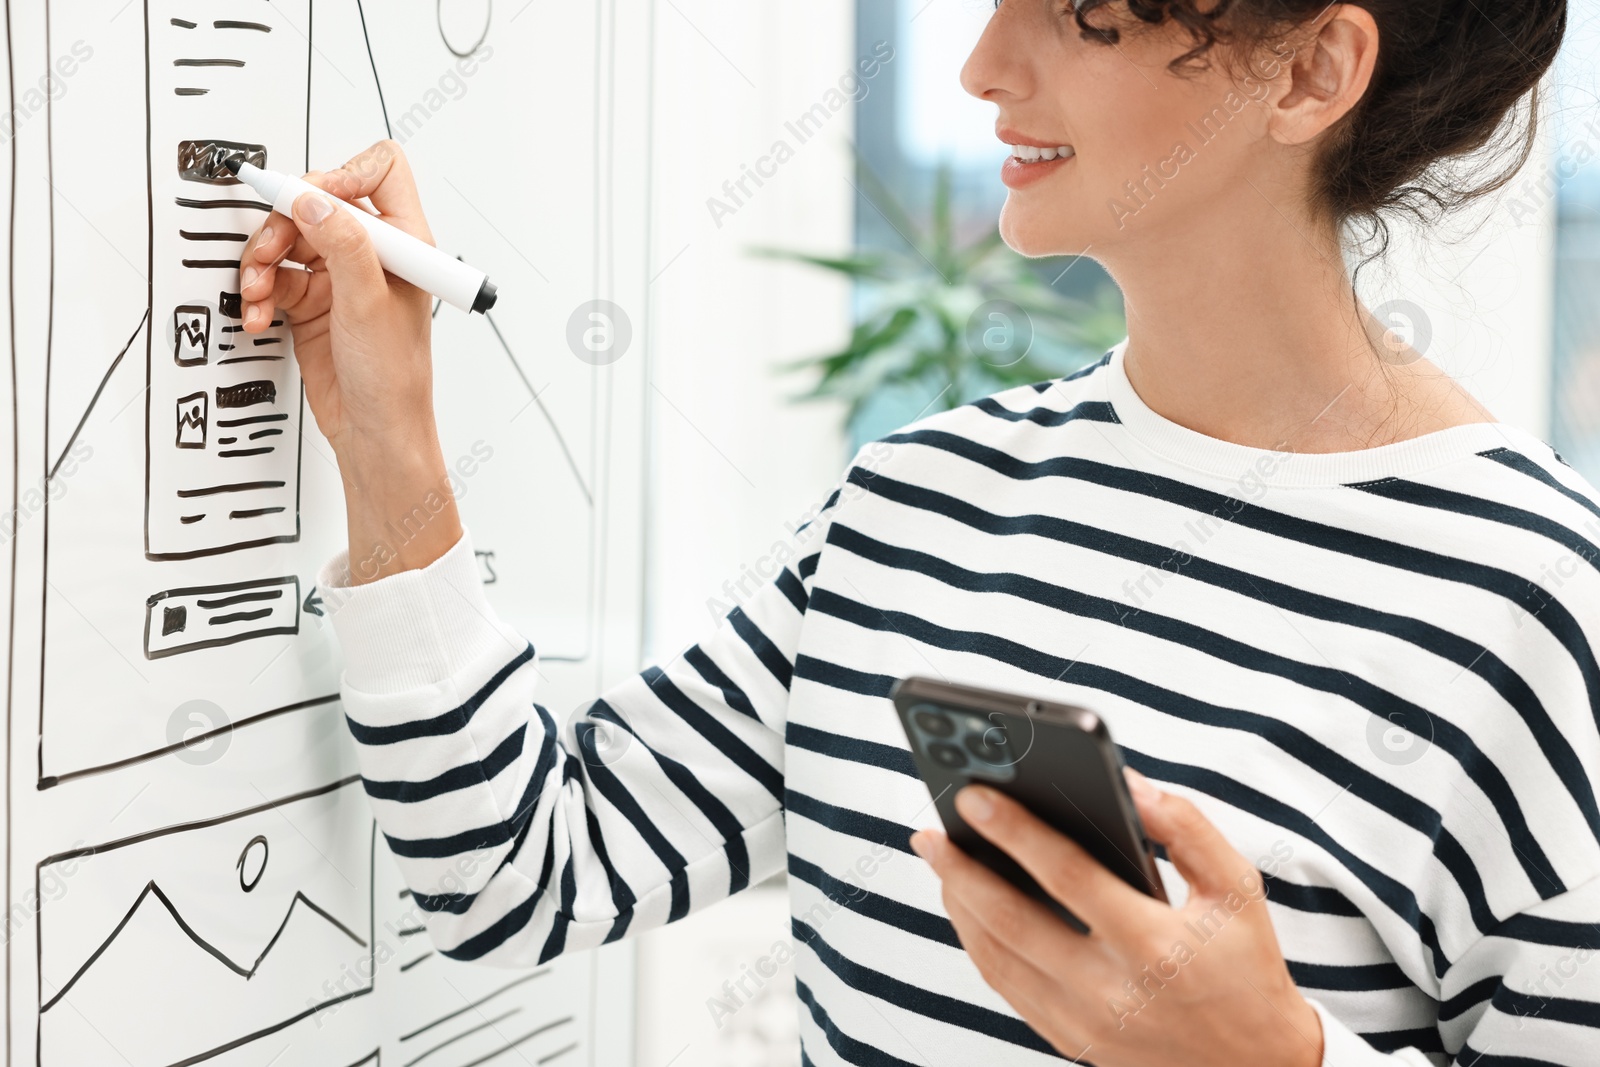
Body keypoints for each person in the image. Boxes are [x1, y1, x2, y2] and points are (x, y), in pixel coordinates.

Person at [238, 1, 1594, 1063]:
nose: (982, 68)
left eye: (1074, 10)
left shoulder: (1532, 602)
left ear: (1309, 72)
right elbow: (518, 873)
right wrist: (387, 431)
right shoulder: (915, 502)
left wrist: (1273, 1061)